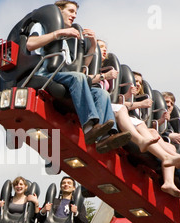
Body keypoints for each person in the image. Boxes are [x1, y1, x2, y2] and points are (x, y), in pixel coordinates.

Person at [27, 1, 131, 154]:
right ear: (58, 11)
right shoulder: (42, 26)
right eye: (70, 11)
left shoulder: (67, 42)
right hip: (44, 74)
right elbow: (30, 44)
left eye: (75, 13)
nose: (74, 15)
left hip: (64, 75)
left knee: (101, 93)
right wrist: (57, 34)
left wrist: (93, 45)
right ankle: (89, 127)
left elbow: (81, 68)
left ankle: (106, 137)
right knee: (78, 78)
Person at [93, 40, 180, 198]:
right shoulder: (97, 67)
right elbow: (117, 102)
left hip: (121, 112)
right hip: (104, 106)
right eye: (100, 47)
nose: (103, 50)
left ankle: (168, 172)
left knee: (155, 134)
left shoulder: (111, 75)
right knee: (125, 110)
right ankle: (148, 146)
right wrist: (136, 102)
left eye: (105, 48)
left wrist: (158, 122)